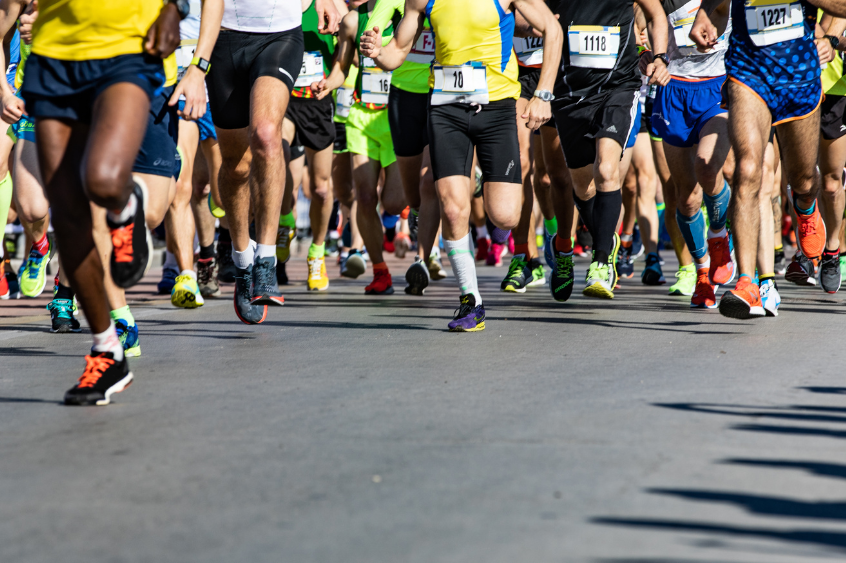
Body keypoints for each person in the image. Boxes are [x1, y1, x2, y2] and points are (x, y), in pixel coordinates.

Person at [361, 0, 563, 331]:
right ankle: (471, 300)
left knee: (506, 216)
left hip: (496, 109)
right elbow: (396, 52)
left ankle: (482, 176)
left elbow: (553, 31)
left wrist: (544, 93)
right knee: (453, 210)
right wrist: (376, 53)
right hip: (445, 108)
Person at [21, 0, 183, 404]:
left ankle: (124, 207)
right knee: (68, 211)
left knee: (104, 179)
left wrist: (176, 7)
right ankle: (106, 350)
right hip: (53, 53)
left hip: (127, 45)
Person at [174, 0, 341, 323]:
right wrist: (198, 65)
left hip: (280, 34)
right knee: (236, 165)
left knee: (266, 135)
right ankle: (242, 258)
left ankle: (266, 259)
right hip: (225, 36)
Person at [691, 0, 845, 318]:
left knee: (803, 179)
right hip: (748, 72)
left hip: (799, 77)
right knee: (748, 168)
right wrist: (704, 22)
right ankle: (747, 282)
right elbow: (717, 8)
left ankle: (805, 207)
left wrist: (829, 39)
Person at [547, 0, 669, 301]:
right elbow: (531, 18)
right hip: (570, 94)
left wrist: (660, 56)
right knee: (582, 186)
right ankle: (597, 240)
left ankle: (601, 261)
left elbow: (655, 14)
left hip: (618, 88)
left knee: (606, 169)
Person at [313, 0, 405, 296]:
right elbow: (342, 66)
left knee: (393, 201)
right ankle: (380, 270)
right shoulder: (353, 21)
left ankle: (413, 218)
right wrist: (328, 84)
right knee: (364, 195)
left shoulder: (407, 11)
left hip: (397, 116)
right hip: (361, 117)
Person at [650, 0, 734, 309]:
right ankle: (701, 273)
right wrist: (646, 54)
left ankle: (719, 235)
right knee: (685, 197)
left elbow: (724, 8)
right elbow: (640, 24)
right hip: (674, 90)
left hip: (717, 86)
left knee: (707, 166)